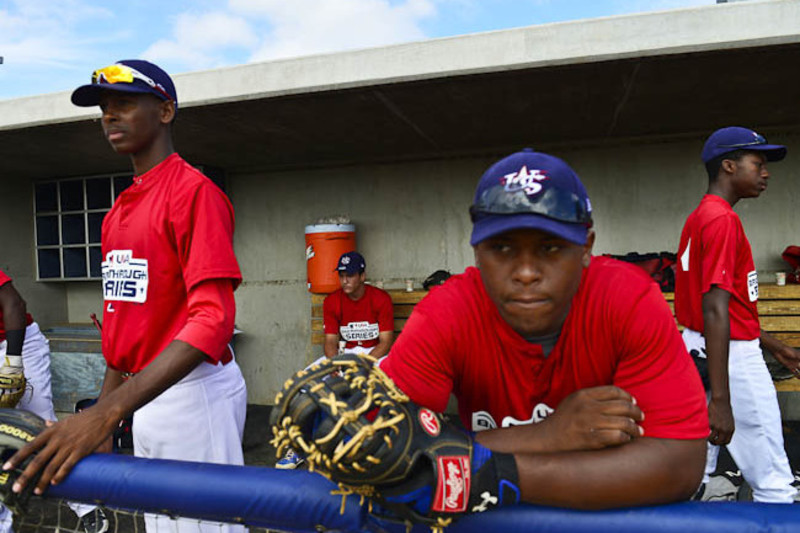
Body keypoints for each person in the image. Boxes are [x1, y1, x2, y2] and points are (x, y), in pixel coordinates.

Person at [379, 148, 709, 509]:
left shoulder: (625, 299)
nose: (525, 273)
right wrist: (547, 435)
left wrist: (489, 474)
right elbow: (388, 451)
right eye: (501, 247)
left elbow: (679, 462)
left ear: (586, 248)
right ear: (476, 252)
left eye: (550, 248)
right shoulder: (447, 313)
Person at [5, 60, 247, 533]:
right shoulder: (117, 212)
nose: (109, 116)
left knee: (204, 528)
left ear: (166, 110)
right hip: (144, 396)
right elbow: (124, 330)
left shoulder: (193, 191)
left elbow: (213, 319)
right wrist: (104, 414)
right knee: (161, 525)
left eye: (124, 103)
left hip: (192, 392)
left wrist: (109, 412)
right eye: (103, 108)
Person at [674, 126, 799, 503]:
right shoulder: (722, 220)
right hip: (729, 355)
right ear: (729, 166)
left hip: (700, 347)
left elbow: (723, 307)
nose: (766, 172)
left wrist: (773, 344)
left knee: (692, 474)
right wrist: (722, 401)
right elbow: (715, 308)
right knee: (773, 480)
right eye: (757, 163)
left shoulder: (702, 215)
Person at [0, 271, 106, 533]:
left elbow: (15, 304)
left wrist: (12, 365)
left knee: (41, 424)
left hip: (19, 344)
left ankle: (86, 505)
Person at [276, 251, 393, 469]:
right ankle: (300, 447)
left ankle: (367, 445)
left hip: (374, 355)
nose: (345, 280)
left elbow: (385, 341)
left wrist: (362, 365)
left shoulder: (380, 299)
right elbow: (330, 341)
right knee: (306, 385)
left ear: (362, 275)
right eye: (341, 275)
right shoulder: (332, 301)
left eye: (350, 274)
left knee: (384, 387)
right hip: (343, 354)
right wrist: (336, 364)